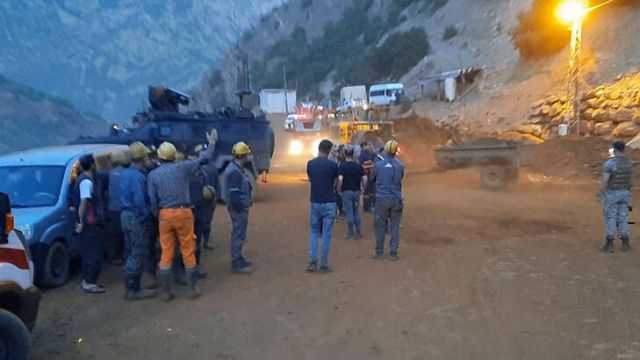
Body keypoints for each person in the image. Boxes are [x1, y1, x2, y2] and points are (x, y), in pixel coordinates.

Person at [147, 130, 217, 301]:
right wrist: (212, 142)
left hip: (164, 215)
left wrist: (159, 215)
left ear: (159, 156)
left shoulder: (153, 175)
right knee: (188, 250)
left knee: (166, 253)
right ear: (173, 156)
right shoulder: (182, 168)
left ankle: (166, 292)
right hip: (184, 213)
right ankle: (192, 290)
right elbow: (204, 159)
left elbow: (152, 200)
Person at [119, 142, 157, 301]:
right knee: (139, 251)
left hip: (125, 215)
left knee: (130, 250)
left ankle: (130, 287)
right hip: (136, 217)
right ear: (142, 158)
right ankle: (134, 289)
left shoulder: (125, 173)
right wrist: (145, 220)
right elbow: (140, 202)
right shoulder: (138, 177)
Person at [73, 154, 106, 294]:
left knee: (89, 251)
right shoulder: (87, 182)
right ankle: (90, 282)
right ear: (92, 165)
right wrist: (80, 220)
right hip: (90, 222)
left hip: (88, 221)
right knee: (93, 252)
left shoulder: (82, 179)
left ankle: (89, 280)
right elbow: (84, 202)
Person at [306, 139, 339, 273]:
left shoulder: (310, 163)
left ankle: (313, 262)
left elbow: (310, 179)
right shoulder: (332, 165)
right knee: (326, 234)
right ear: (329, 150)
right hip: (329, 202)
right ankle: (324, 264)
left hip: (315, 201)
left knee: (314, 232)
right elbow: (336, 182)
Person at [223, 142, 254, 275]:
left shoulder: (235, 168)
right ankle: (236, 263)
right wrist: (240, 209)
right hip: (238, 209)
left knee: (239, 233)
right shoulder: (234, 172)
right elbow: (234, 194)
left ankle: (239, 258)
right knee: (238, 234)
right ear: (244, 156)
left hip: (239, 208)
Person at [372, 140, 405, 261]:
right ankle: (393, 253)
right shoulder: (400, 166)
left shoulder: (378, 165)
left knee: (380, 226)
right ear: (396, 152)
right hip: (396, 199)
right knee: (395, 227)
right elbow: (400, 179)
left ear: (385, 151)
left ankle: (379, 252)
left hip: (381, 199)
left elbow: (373, 179)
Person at [599, 140, 634, 253]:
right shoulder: (629, 163)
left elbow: (605, 181)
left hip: (612, 193)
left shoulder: (610, 164)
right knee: (623, 217)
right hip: (625, 193)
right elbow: (630, 181)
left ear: (614, 150)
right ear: (624, 149)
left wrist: (600, 193)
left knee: (610, 217)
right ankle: (625, 243)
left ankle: (609, 244)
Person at [105, 151, 131, 266]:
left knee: (113, 235)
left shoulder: (109, 174)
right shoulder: (128, 173)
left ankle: (113, 257)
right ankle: (125, 256)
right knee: (126, 235)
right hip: (125, 208)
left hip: (112, 209)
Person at [338, 145, 367, 239]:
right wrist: (363, 188)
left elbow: (340, 179)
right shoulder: (358, 165)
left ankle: (351, 233)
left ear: (344, 153)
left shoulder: (342, 166)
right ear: (353, 154)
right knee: (356, 212)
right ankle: (359, 232)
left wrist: (339, 189)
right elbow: (365, 178)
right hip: (356, 192)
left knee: (349, 212)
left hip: (346, 192)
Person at [359, 142, 376, 213]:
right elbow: (364, 166)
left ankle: (369, 206)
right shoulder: (363, 155)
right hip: (366, 175)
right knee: (367, 192)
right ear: (362, 146)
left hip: (369, 175)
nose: (368, 147)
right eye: (366, 145)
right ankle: (367, 207)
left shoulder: (367, 154)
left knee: (370, 191)